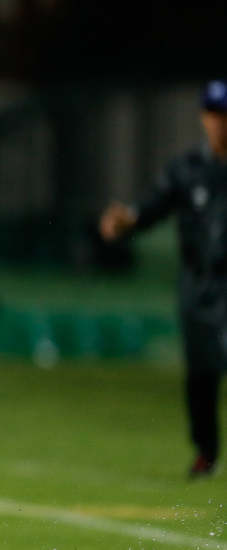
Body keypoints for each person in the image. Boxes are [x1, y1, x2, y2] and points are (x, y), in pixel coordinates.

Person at [99, 79, 227, 479]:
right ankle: (206, 451)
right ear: (203, 118)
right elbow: (153, 206)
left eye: (225, 115)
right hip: (198, 285)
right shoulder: (187, 169)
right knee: (202, 373)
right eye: (213, 114)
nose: (220, 123)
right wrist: (128, 220)